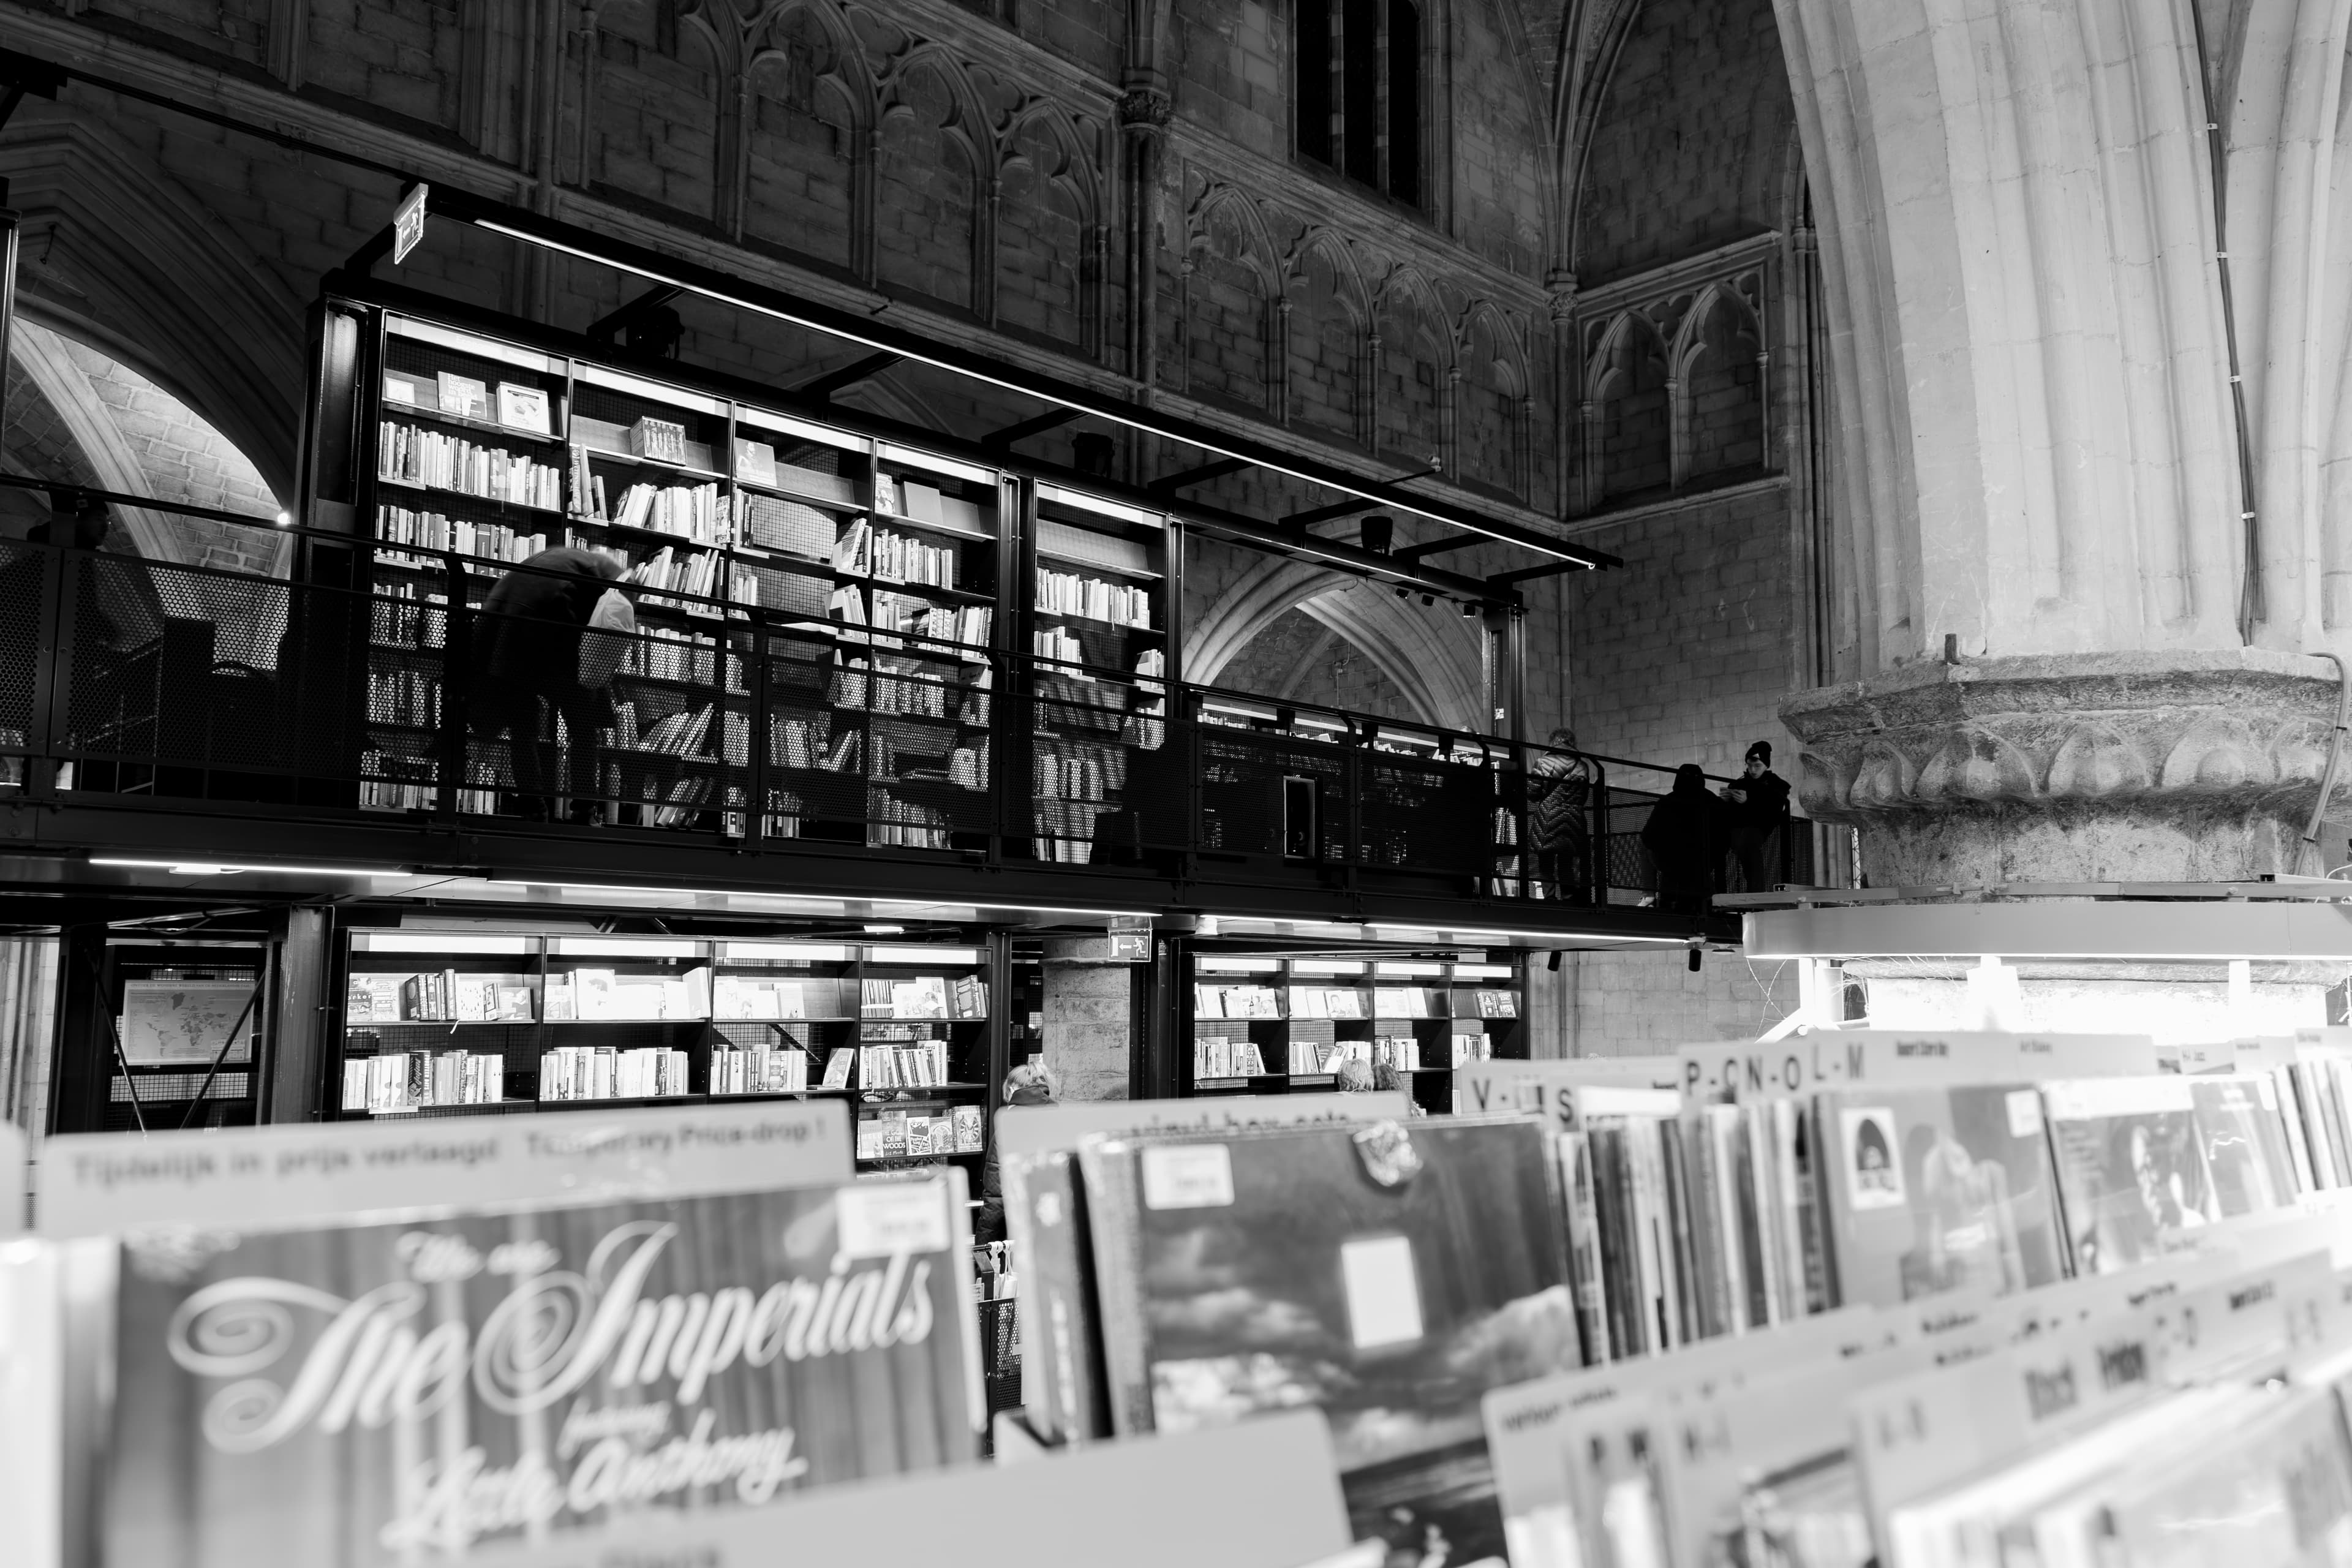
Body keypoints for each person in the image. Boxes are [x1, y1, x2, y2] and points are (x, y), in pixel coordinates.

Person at [469, 545, 624, 821]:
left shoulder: (559, 557)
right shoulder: (595, 576)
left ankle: (533, 807)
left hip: (505, 645)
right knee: (584, 726)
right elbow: (593, 634)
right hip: (544, 641)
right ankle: (584, 809)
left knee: (523, 727)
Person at [977, 1060, 1054, 1245]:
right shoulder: (1059, 1118)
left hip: (1019, 1231)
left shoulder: (1010, 1125)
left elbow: (996, 1196)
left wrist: (984, 1247)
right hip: (1052, 1224)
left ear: (1012, 1090)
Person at [1640, 763, 1727, 915]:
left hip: (1671, 866)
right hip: (1704, 866)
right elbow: (1724, 838)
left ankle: (1649, 896)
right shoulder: (1714, 802)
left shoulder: (1667, 802)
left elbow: (1648, 837)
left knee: (1642, 845)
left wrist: (1665, 849)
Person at [1527, 726, 1594, 903]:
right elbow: (1583, 796)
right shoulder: (1582, 766)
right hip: (1573, 818)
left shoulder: (1543, 762)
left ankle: (1549, 896)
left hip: (1548, 817)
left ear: (1553, 742)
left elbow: (1533, 793)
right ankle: (1568, 896)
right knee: (1566, 860)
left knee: (1545, 860)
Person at [1722, 741, 1792, 893]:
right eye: (1749, 765)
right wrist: (1726, 801)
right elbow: (1729, 812)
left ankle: (1756, 891)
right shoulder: (1739, 784)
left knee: (1748, 843)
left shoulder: (1776, 785)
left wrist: (1748, 802)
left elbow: (1772, 811)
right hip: (1737, 828)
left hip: (1759, 828)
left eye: (1757, 766)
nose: (1753, 770)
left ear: (1766, 765)